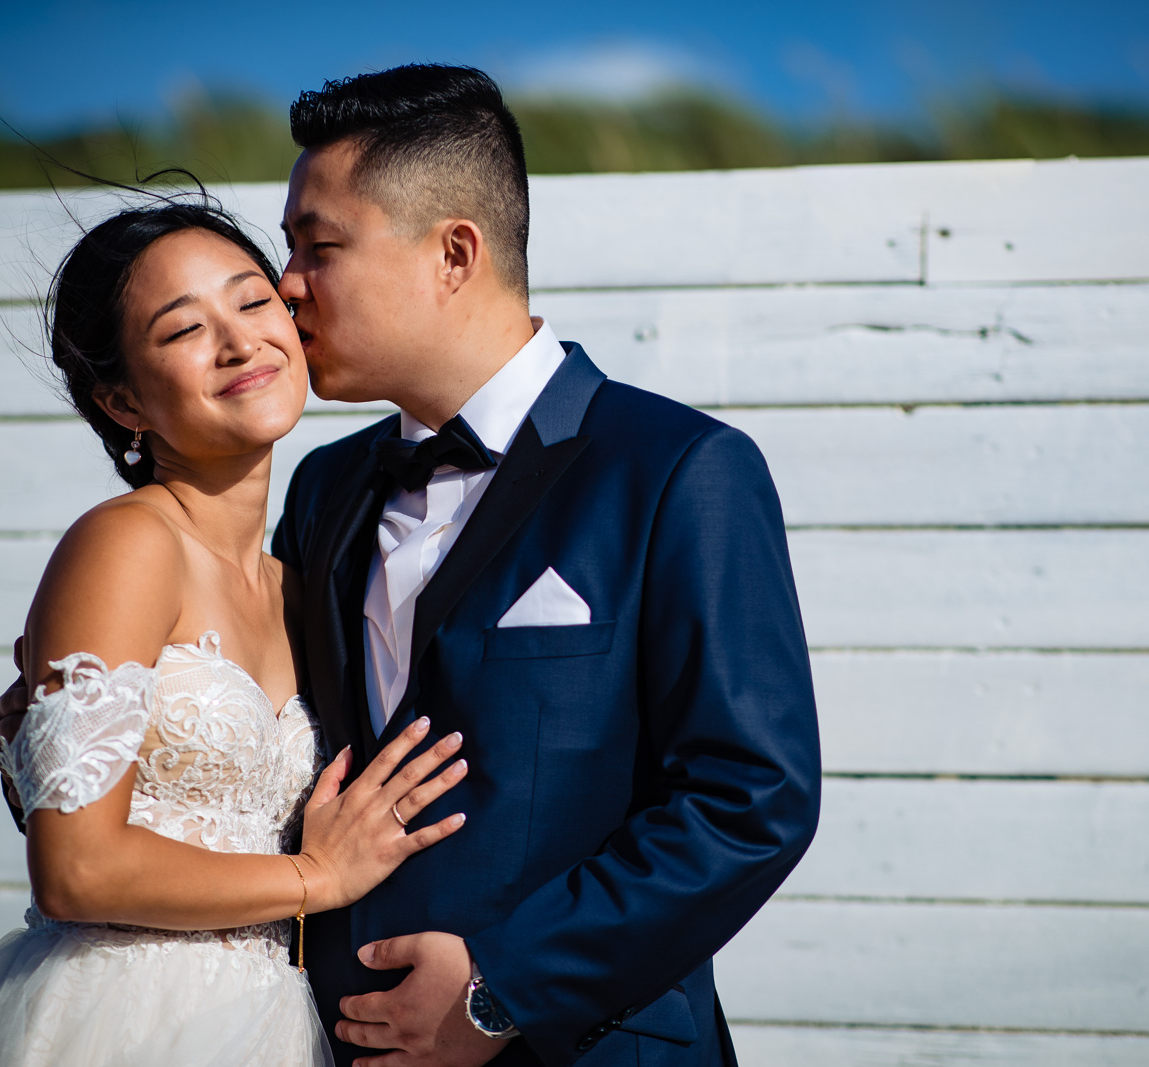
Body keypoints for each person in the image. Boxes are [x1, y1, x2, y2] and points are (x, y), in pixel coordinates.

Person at [269, 65, 821, 1067]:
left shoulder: (678, 470)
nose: (285, 284)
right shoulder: (322, 489)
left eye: (320, 247)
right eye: (286, 249)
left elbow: (750, 796)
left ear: (453, 252)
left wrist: (500, 989)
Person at [0, 199, 469, 1067]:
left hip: (268, 1019)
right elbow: (75, 869)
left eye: (252, 301)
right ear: (121, 400)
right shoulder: (125, 544)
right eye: (185, 329)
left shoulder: (299, 583)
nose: (239, 343)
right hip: (124, 1017)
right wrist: (319, 877)